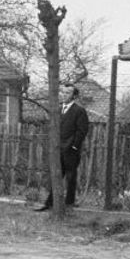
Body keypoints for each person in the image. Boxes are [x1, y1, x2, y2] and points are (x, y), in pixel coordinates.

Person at [35, 82, 90, 211]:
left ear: (74, 96)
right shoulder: (58, 110)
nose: (64, 95)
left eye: (68, 93)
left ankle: (69, 204)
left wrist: (74, 146)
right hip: (57, 149)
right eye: (63, 92)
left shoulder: (79, 111)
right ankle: (50, 204)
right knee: (55, 176)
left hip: (71, 150)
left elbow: (82, 130)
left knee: (71, 177)